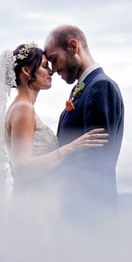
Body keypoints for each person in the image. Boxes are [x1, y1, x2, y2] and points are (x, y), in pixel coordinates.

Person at [0, 42, 107, 210]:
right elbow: (22, 168)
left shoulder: (24, 108)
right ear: (26, 71)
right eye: (44, 66)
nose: (51, 72)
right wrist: (72, 148)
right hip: (33, 205)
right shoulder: (23, 109)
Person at [44, 25, 124, 216]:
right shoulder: (86, 89)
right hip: (75, 210)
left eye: (54, 59)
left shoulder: (100, 86)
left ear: (73, 46)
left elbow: (96, 160)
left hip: (91, 212)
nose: (53, 70)